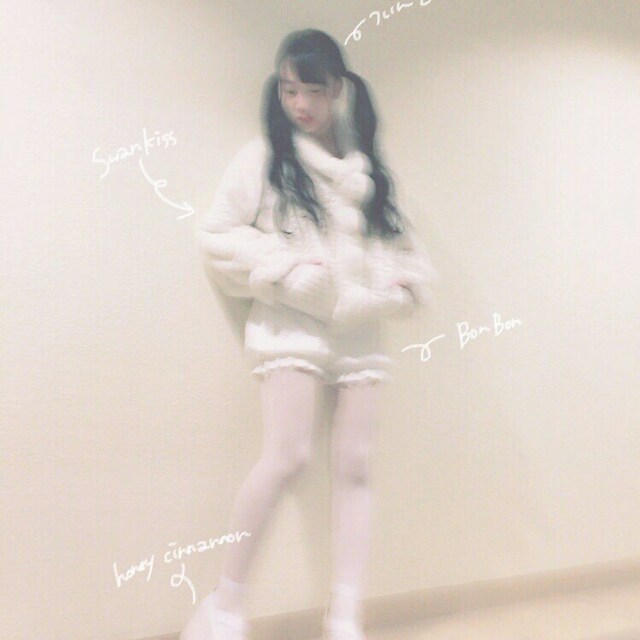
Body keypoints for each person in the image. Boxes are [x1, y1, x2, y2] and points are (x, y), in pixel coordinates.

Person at [181, 28, 440, 640]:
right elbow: (217, 234)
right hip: (291, 325)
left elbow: (405, 251)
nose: (300, 103)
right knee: (287, 457)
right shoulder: (265, 157)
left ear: (339, 89)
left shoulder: (369, 169)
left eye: (314, 90)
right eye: (289, 89)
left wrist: (396, 286)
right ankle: (225, 606)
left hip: (359, 331)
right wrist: (287, 269)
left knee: (356, 465)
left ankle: (345, 616)